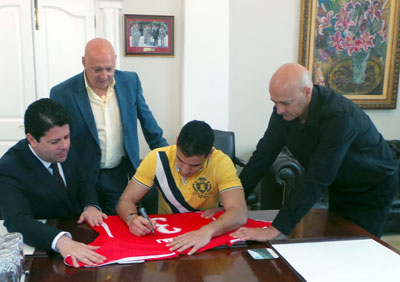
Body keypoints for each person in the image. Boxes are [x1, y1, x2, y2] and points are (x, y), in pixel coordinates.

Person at [232, 63, 398, 241]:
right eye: (275, 102)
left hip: (371, 187)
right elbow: (263, 155)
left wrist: (275, 228)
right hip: (340, 184)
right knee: (335, 242)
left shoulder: (338, 115)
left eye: (285, 103)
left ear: (307, 91)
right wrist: (232, 202)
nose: (279, 110)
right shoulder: (283, 111)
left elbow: (318, 176)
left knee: (360, 248)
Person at [50, 38, 168, 215]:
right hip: (82, 177)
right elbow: (56, 139)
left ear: (115, 61)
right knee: (86, 229)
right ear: (84, 62)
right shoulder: (62, 93)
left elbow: (149, 125)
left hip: (118, 175)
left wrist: (170, 160)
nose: (104, 76)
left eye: (109, 69)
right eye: (97, 69)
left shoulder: (130, 82)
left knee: (117, 228)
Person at [0, 98, 108, 268]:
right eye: (55, 142)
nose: (65, 145)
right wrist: (60, 241)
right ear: (32, 139)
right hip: (45, 250)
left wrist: (91, 206)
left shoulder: (63, 146)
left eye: (66, 137)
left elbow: (83, 181)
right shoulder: (9, 168)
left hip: (81, 232)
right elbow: (17, 220)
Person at [117, 120, 248, 255]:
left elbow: (239, 212)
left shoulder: (221, 162)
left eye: (195, 165)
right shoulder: (157, 158)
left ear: (210, 154)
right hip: (165, 231)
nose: (185, 170)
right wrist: (131, 218)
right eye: (180, 160)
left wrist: (206, 232)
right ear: (177, 141)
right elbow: (126, 199)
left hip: (204, 231)